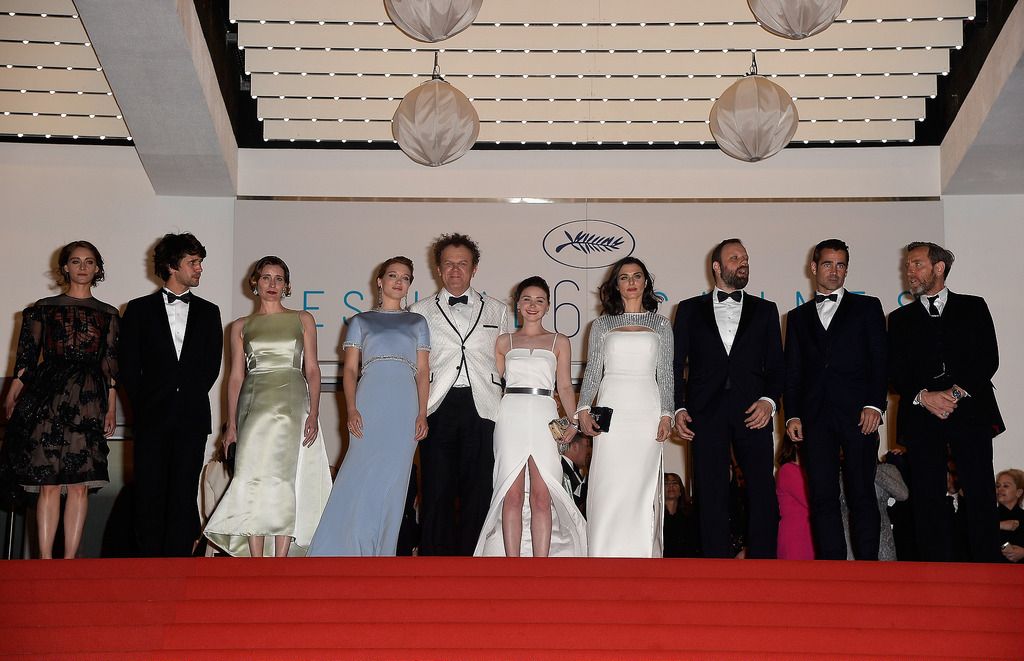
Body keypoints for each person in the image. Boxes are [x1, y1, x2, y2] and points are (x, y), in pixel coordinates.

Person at [204, 256, 331, 557]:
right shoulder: (240, 326)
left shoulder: (303, 319)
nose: (272, 285)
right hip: (254, 404)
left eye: (279, 279)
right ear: (255, 283)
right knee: (250, 476)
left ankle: (281, 559)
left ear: (287, 285)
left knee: (285, 477)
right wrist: (231, 424)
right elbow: (235, 377)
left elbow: (312, 369)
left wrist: (314, 412)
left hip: (292, 404)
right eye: (266, 278)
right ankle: (255, 560)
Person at [888, 241, 1004, 562]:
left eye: (916, 264)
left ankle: (988, 565)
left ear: (938, 268)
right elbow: (895, 370)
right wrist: (925, 397)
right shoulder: (898, 319)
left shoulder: (974, 306)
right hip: (921, 414)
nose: (909, 271)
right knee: (927, 493)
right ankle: (935, 569)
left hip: (970, 411)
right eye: (908, 265)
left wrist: (953, 394)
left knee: (979, 488)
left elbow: (988, 358)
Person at [1, 241, 118, 558]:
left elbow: (110, 364)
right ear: (65, 267)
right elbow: (25, 358)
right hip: (48, 397)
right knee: (48, 481)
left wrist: (112, 405)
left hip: (89, 399)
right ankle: (45, 562)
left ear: (97, 269)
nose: (82, 267)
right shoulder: (43, 308)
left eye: (89, 261)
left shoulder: (108, 314)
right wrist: (12, 396)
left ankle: (69, 562)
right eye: (76, 261)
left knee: (80, 483)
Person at [309, 256, 430, 556]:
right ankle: (343, 547)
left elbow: (424, 371)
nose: (398, 281)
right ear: (380, 280)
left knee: (395, 481)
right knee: (357, 473)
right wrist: (351, 408)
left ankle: (381, 552)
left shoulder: (418, 322)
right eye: (393, 275)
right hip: (370, 400)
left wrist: (422, 413)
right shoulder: (360, 321)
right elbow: (349, 370)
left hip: (404, 405)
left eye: (405, 277)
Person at [673, 239, 783, 559]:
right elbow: (676, 364)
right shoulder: (689, 310)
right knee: (709, 491)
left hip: (754, 411)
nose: (743, 262)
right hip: (704, 413)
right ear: (717, 267)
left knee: (762, 489)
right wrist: (679, 406)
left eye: (746, 258)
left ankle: (764, 563)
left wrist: (769, 402)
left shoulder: (766, 311)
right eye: (735, 258)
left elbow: (777, 367)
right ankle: (714, 567)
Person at [119, 233, 223, 557]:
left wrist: (185, 397)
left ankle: (178, 563)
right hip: (152, 416)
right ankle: (146, 565)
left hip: (192, 417)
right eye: (193, 262)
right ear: (170, 266)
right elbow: (128, 367)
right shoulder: (137, 310)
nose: (199, 268)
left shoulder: (209, 311)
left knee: (184, 491)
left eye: (200, 262)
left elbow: (211, 367)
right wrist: (147, 404)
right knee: (148, 491)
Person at [784, 239, 888, 560]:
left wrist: (875, 404)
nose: (834, 271)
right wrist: (792, 414)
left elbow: (880, 360)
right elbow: (793, 370)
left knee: (861, 492)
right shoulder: (798, 317)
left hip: (860, 414)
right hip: (815, 417)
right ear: (813, 268)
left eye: (841, 265)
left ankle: (868, 567)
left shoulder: (868, 307)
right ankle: (833, 569)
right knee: (822, 496)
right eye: (828, 264)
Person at [409, 234, 510, 556]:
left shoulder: (497, 310)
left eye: (462, 264)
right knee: (436, 486)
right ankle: (433, 563)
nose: (455, 270)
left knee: (479, 487)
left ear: (474, 269)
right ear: (438, 269)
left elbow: (509, 361)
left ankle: (475, 559)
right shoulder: (419, 310)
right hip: (437, 403)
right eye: (449, 264)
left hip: (484, 405)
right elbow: (415, 365)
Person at [475, 276, 587, 557]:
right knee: (510, 492)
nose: (533, 305)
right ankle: (513, 566)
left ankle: (541, 566)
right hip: (510, 413)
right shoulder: (503, 341)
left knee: (542, 492)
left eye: (539, 300)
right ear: (518, 305)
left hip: (545, 413)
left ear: (548, 306)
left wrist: (572, 422)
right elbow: (492, 383)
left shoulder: (559, 341)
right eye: (527, 299)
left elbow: (563, 386)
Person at [577, 257, 674, 558]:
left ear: (646, 282)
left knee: (642, 486)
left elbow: (666, 373)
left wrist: (667, 413)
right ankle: (604, 553)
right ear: (615, 284)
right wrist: (582, 409)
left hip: (647, 408)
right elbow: (593, 370)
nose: (631, 282)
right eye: (624, 277)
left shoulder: (661, 324)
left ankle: (643, 555)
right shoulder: (602, 325)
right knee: (610, 481)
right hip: (612, 407)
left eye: (637, 276)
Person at [776, 436, 814, 560]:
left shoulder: (804, 471)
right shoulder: (788, 470)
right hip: (797, 538)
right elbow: (811, 499)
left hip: (806, 536)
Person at [875, 458, 909, 561]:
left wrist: (870, 468)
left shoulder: (887, 469)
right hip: (848, 533)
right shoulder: (838, 471)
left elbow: (903, 494)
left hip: (881, 533)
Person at [663, 472, 699, 558]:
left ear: (680, 491)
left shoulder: (690, 517)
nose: (671, 486)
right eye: (666, 483)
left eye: (674, 483)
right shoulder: (655, 518)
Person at [995, 469, 1024, 563]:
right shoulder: (988, 517)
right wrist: (999, 525)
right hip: (994, 570)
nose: (1000, 489)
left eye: (1006, 486)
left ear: (1018, 492)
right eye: (998, 486)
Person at [560, 435, 591, 518]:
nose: (589, 451)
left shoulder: (574, 470)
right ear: (575, 446)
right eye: (587, 446)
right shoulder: (561, 469)